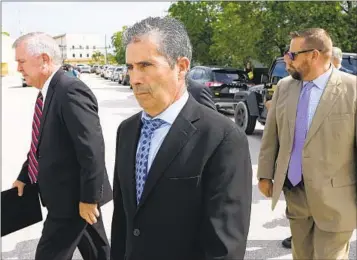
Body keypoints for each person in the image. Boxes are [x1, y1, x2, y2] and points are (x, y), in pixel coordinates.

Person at [111, 16, 252, 260]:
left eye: (145, 65)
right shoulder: (127, 130)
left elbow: (224, 247)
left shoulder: (222, 138)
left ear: (182, 66)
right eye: (130, 67)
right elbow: (123, 220)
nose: (134, 79)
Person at [257, 28, 357, 259]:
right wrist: (264, 174)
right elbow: (271, 135)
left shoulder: (352, 89)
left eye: (292, 55)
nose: (286, 59)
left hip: (337, 198)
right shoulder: (284, 87)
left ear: (313, 55)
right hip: (296, 193)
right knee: (301, 255)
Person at [12, 32, 112, 260]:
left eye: (22, 61)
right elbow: (41, 143)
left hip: (72, 200)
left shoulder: (69, 90)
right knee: (99, 253)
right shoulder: (48, 93)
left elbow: (92, 148)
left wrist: (88, 199)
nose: (18, 68)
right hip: (71, 198)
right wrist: (24, 176)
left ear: (44, 59)